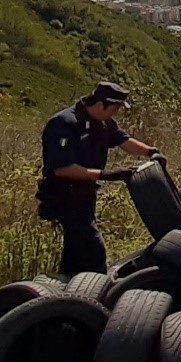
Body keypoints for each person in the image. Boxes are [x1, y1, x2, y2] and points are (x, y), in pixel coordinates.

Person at [37, 82, 163, 275]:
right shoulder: (65, 124)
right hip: (64, 197)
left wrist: (151, 152)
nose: (115, 114)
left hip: (85, 196)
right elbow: (61, 169)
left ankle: (70, 289)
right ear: (100, 104)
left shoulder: (103, 123)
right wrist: (105, 175)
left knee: (76, 252)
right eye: (114, 109)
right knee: (93, 252)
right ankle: (94, 293)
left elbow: (123, 140)